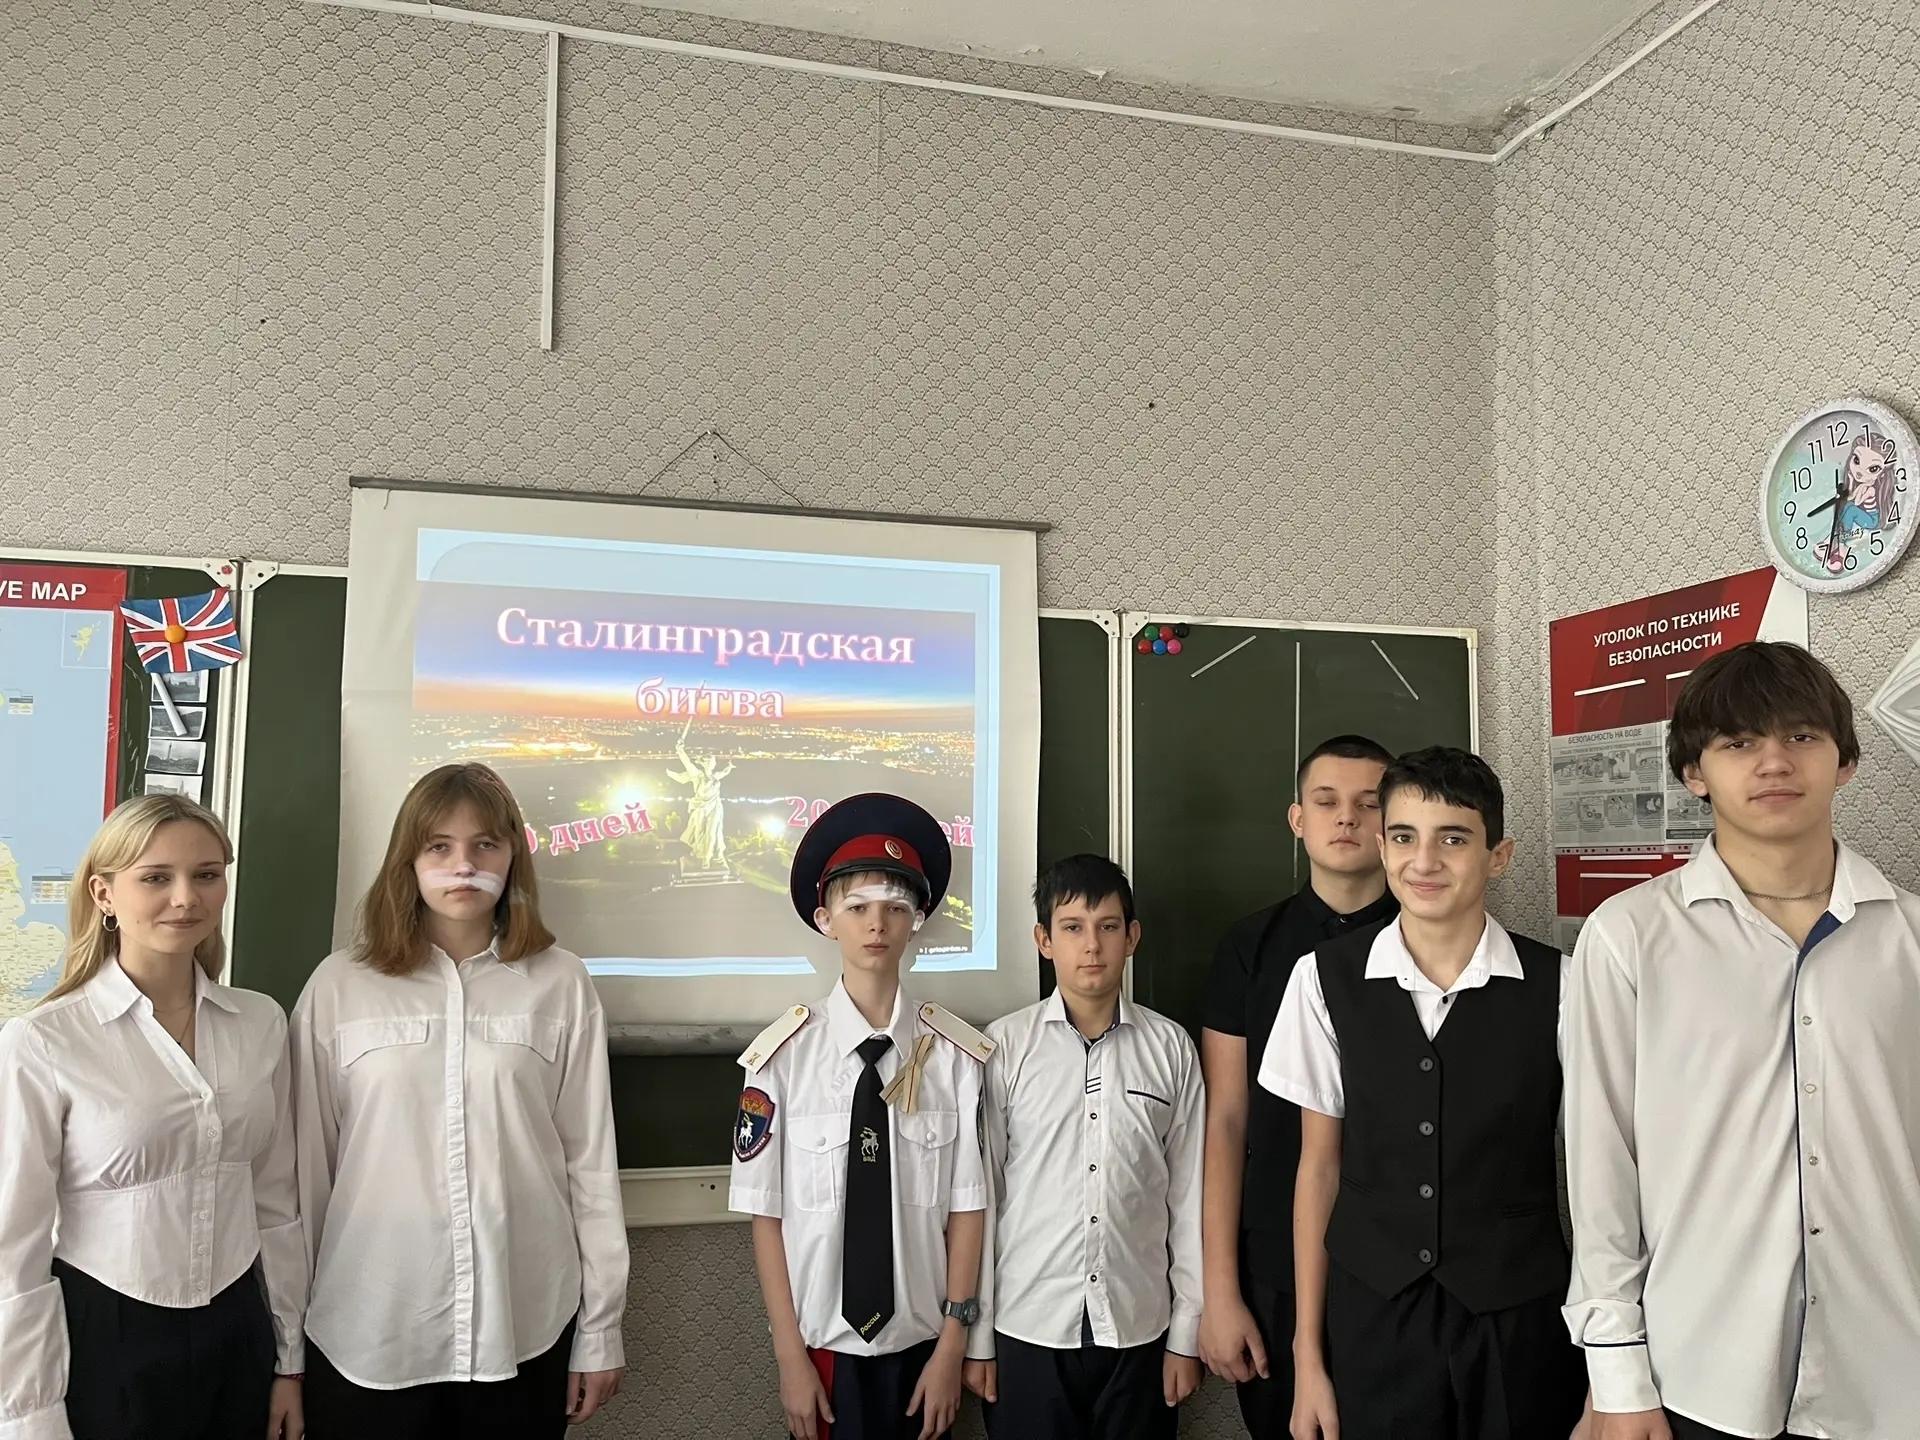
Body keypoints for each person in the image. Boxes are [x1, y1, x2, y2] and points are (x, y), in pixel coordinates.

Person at [1563, 642, 1920, 1440]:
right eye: (1739, 742)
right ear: (1695, 772)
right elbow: (1600, 1166)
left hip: (1893, 1374)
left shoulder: (1911, 938)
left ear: (1845, 761)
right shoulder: (1630, 937)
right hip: (1699, 1374)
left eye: (1801, 736)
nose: (1774, 762)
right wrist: (1616, 1374)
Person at [290, 763, 627, 1437]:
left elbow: (589, 1165)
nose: (463, 865)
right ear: (408, 861)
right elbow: (303, 1180)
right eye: (438, 846)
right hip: (368, 1333)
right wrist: (287, 1355)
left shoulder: (560, 983)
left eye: (485, 845)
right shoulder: (338, 986)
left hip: (523, 1326)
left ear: (512, 858)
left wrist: (600, 1331)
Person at [1264, 747, 1583, 1440]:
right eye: (1405, 837)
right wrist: (1307, 1355)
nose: (1425, 861)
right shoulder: (1321, 979)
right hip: (1372, 1320)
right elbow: (1318, 1169)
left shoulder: (1564, 985)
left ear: (1499, 856)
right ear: (1382, 847)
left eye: (1454, 839)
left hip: (1518, 1320)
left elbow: (1600, 1177)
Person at [0, 795, 306, 1440]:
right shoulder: (46, 1040)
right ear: (104, 894)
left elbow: (276, 1202)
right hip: (102, 1337)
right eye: (156, 877)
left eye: (207, 874)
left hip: (239, 1333)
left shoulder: (260, 1022)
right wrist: (30, 1414)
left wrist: (290, 1360)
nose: (185, 898)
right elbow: (13, 1241)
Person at [729, 793, 990, 1440]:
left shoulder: (955, 1059)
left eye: (896, 908)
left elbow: (967, 1211)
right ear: (826, 919)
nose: (877, 924)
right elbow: (766, 1219)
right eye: (858, 908)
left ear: (918, 920)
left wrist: (953, 1346)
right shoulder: (780, 1060)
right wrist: (789, 1357)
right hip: (821, 1352)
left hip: (925, 1350)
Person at [964, 854, 1204, 1439]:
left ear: (1132, 937)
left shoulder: (1171, 1048)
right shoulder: (1005, 1047)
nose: (1091, 945)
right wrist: (978, 1338)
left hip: (1140, 1327)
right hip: (1027, 1327)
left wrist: (1186, 1334)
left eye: (1108, 926)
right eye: (1072, 927)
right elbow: (982, 1198)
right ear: (1044, 940)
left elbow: (1191, 1198)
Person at [1197, 735, 1397, 1435]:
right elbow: (1226, 1120)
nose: (1347, 818)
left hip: (1398, 1262)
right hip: (1273, 1259)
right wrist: (1219, 1289)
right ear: (1297, 819)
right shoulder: (1250, 946)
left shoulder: (1428, 940)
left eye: (1368, 804)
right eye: (1327, 801)